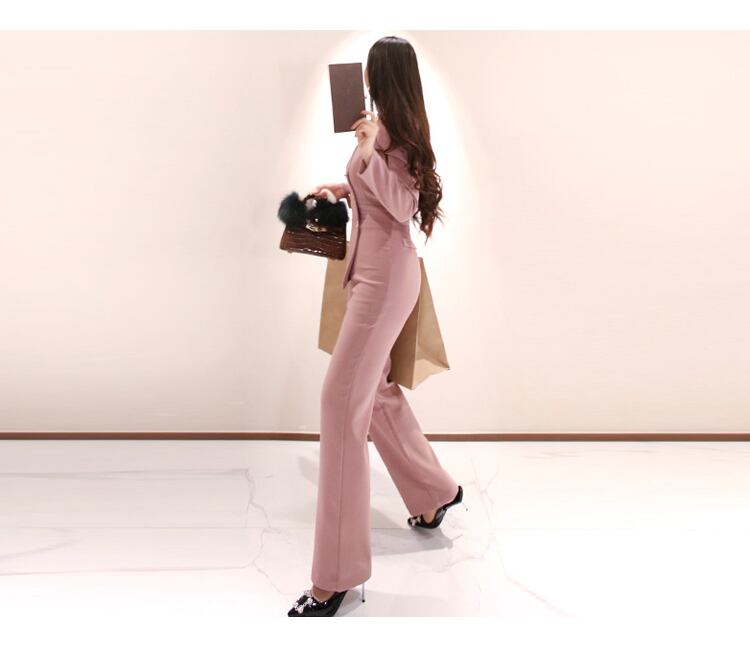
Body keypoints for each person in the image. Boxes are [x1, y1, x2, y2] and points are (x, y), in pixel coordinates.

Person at [287, 36, 466, 618]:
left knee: (340, 403)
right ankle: (435, 492)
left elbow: (403, 205)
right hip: (368, 276)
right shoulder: (378, 127)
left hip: (386, 281)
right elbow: (372, 195)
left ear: (384, 75)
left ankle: (336, 577)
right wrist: (338, 187)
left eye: (370, 71)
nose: (364, 79)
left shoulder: (402, 135)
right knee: (377, 395)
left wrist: (367, 152)